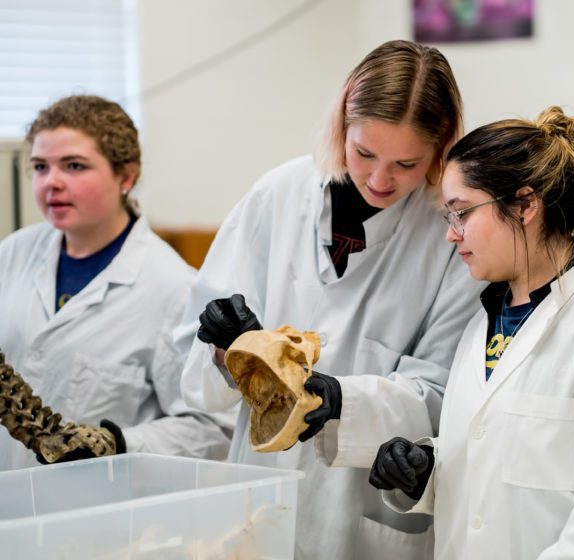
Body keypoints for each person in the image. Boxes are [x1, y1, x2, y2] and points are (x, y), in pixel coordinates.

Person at [176, 40, 482, 559]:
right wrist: (223, 349)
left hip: (364, 510)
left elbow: (442, 390)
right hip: (258, 492)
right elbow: (195, 382)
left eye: (406, 163)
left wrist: (343, 398)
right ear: (341, 125)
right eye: (364, 153)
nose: (380, 180)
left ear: (441, 146)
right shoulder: (278, 196)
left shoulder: (451, 233)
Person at [369, 106, 574, 559]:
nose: (451, 236)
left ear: (524, 205)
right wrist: (425, 473)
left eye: (461, 213)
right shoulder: (483, 322)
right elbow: (497, 464)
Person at [0, 95, 231, 470]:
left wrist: (118, 442)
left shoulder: (173, 289)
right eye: (40, 167)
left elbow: (213, 430)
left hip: (101, 512)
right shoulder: (12, 254)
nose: (51, 182)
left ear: (126, 176)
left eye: (74, 166)